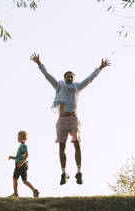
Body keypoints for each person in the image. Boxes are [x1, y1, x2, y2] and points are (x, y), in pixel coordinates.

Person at [30, 52, 110, 185]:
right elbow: (47, 76)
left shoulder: (77, 87)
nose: (69, 77)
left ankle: (79, 172)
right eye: (67, 76)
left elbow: (89, 79)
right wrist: (39, 64)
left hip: (73, 118)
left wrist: (100, 68)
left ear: (73, 78)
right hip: (62, 119)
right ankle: (64, 172)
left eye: (71, 76)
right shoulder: (59, 86)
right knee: (61, 146)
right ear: (64, 78)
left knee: (77, 144)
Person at [8, 131, 39, 198]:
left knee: (14, 178)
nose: (17, 138)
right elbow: (19, 156)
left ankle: (15, 193)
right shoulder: (22, 146)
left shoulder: (23, 146)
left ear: (22, 138)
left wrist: (21, 163)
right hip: (24, 165)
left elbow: (27, 155)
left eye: (18, 137)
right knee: (25, 181)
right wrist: (12, 157)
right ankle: (35, 191)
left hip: (20, 164)